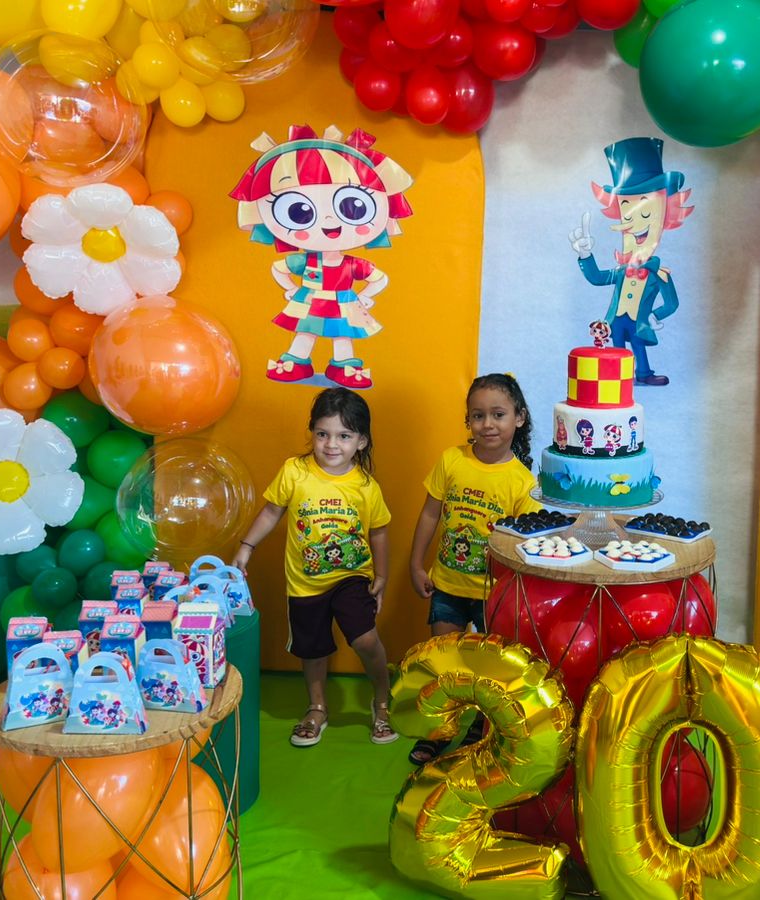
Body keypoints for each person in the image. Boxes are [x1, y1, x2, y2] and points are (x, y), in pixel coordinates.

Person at [233, 388, 397, 747]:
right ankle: (317, 707)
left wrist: (382, 575)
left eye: (344, 436)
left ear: (361, 441)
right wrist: (246, 547)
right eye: (323, 434)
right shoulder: (295, 471)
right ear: (312, 433)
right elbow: (272, 511)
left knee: (365, 638)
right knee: (312, 649)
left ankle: (382, 701)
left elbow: (379, 532)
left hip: (352, 577)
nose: (331, 444)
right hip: (304, 584)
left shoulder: (365, 486)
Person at [407, 374, 538, 765]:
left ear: (519, 418)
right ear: (468, 420)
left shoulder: (523, 482)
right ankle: (439, 730)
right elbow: (430, 514)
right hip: (446, 585)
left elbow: (520, 547)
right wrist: (415, 563)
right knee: (444, 664)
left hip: (491, 595)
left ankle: (481, 731)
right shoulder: (452, 460)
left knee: (487, 670)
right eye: (478, 415)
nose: (488, 424)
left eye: (498, 414)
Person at [229, 124, 415, 389]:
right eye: (298, 211)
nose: (329, 223)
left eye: (353, 207)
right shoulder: (308, 261)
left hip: (342, 303)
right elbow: (279, 268)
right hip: (312, 301)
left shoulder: (352, 264)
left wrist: (365, 295)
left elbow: (379, 278)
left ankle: (343, 366)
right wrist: (291, 288)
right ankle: (297, 362)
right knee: (306, 332)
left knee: (342, 336)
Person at [569, 137, 693, 386]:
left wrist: (654, 316)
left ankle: (643, 373)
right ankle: (619, 376)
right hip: (616, 320)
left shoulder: (659, 274)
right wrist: (585, 254)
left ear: (665, 216)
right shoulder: (621, 270)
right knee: (618, 349)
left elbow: (672, 303)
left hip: (639, 321)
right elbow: (597, 278)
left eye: (646, 212)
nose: (634, 224)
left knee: (637, 344)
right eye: (627, 214)